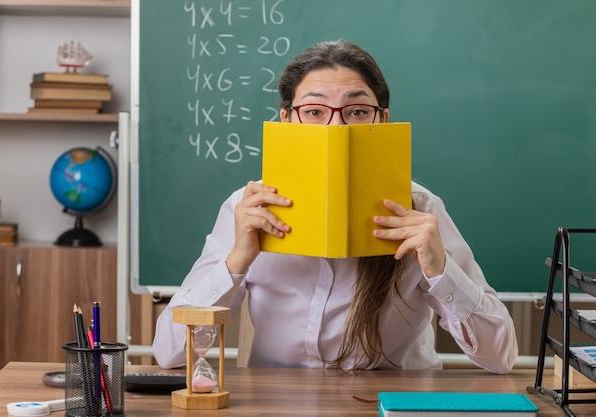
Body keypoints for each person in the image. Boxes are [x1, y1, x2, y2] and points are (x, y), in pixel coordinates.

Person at [153, 40, 518, 374]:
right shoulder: (247, 208)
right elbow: (167, 353)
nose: (335, 127)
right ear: (288, 120)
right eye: (314, 111)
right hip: (277, 407)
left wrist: (441, 271)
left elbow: (501, 357)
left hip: (390, 404)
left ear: (382, 120)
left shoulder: (420, 209)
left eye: (357, 111)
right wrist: (235, 262)